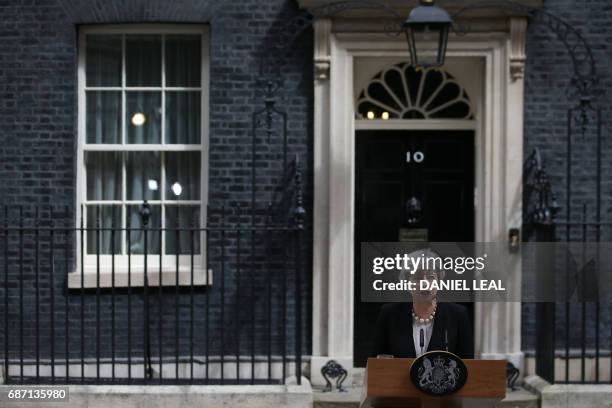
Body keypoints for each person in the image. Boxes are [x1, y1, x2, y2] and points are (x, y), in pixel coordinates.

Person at [371, 249, 474, 359]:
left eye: (431, 277)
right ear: (407, 283)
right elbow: (377, 362)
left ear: (439, 281)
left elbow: (467, 363)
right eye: (417, 278)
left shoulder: (457, 314)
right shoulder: (389, 313)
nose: (425, 283)